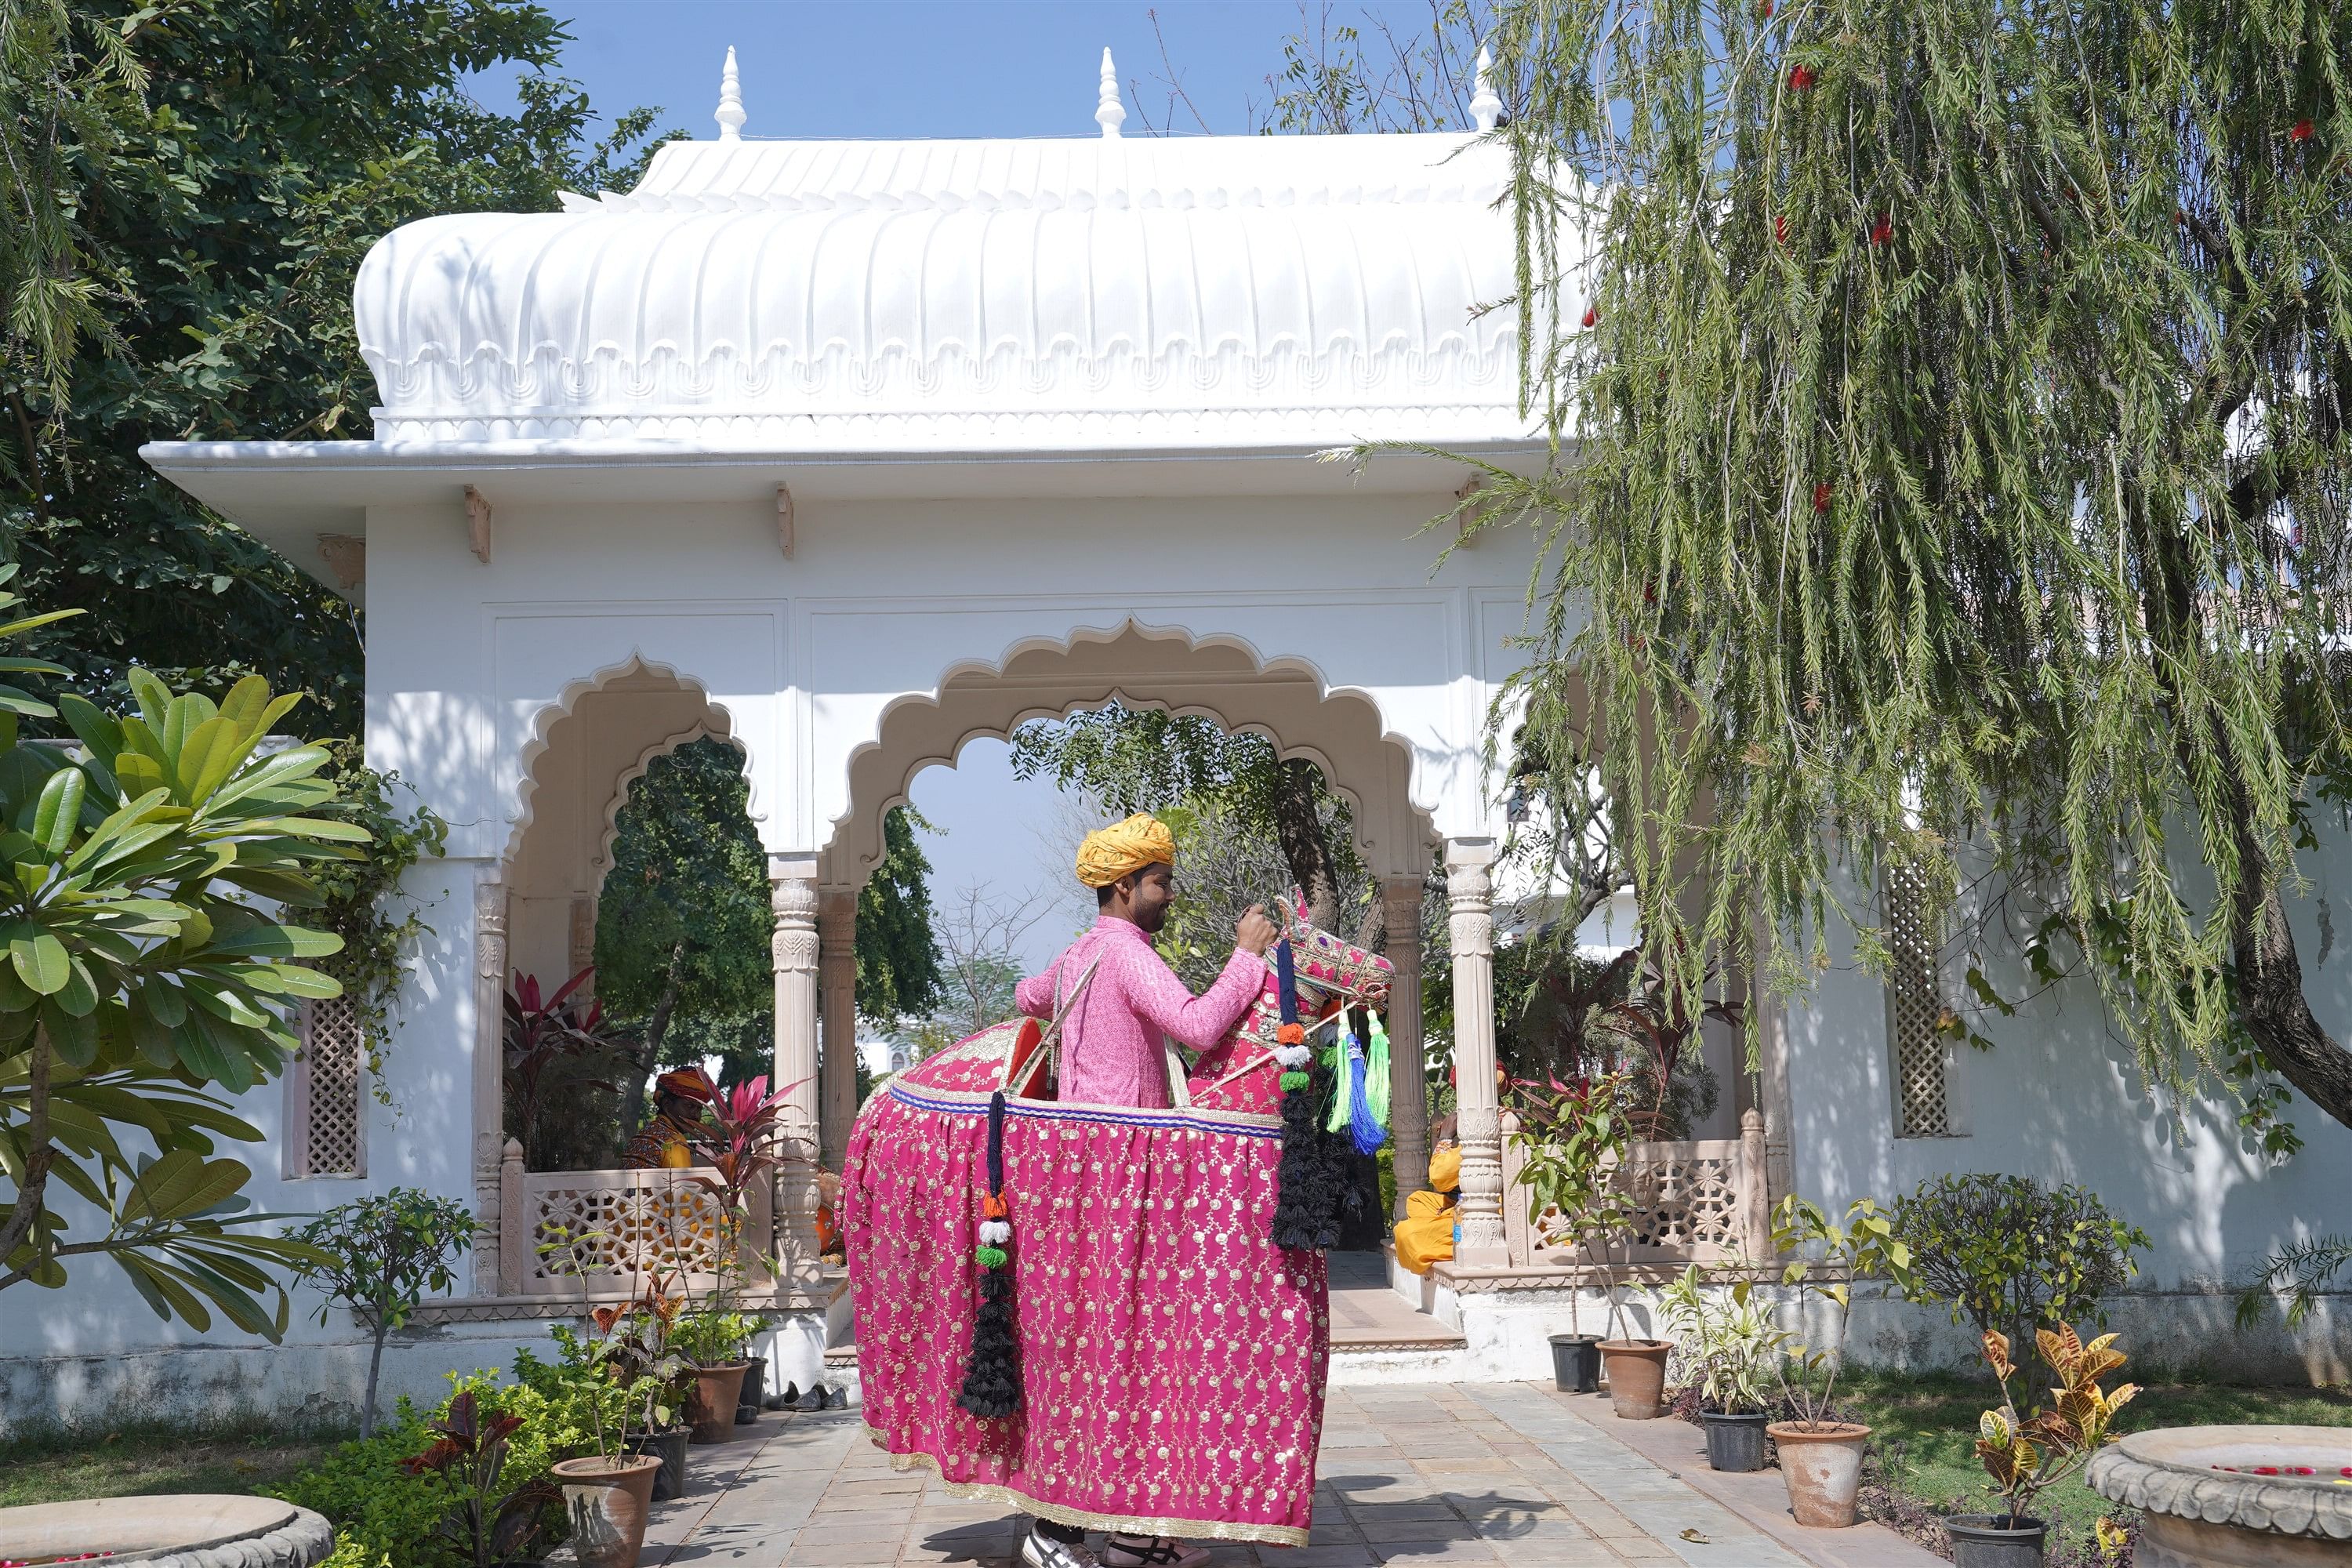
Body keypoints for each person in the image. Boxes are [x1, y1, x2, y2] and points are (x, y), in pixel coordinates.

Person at [1005, 812, 1279, 1568]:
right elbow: (1195, 1026)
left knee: (1111, 1349)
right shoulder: (1125, 953)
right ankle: (1057, 1530)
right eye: (1160, 880)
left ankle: (1126, 1523)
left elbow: (1030, 994)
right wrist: (1246, 958)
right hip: (1126, 1170)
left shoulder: (1080, 955)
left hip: (1078, 1171)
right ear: (1124, 886)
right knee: (1127, 1348)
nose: (1170, 892)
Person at [622, 1069, 713, 1169]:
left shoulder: (642, 1134)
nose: (696, 1115)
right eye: (689, 1106)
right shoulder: (675, 1141)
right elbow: (682, 1184)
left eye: (699, 1109)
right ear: (667, 1105)